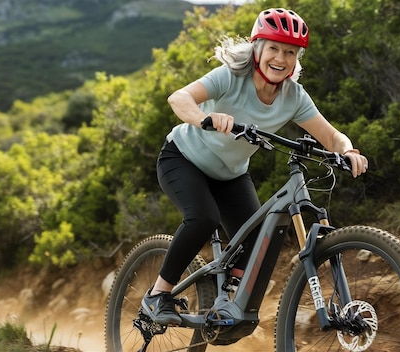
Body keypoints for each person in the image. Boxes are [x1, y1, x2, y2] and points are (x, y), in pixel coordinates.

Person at [142, 7, 369, 326]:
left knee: (260, 240)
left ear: (296, 59)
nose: (280, 57)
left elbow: (331, 135)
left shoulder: (293, 97)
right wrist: (205, 119)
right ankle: (157, 296)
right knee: (203, 218)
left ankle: (227, 305)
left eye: (290, 52)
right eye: (273, 47)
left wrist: (348, 151)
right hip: (183, 158)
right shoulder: (231, 77)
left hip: (231, 175)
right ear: (257, 48)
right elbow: (179, 98)